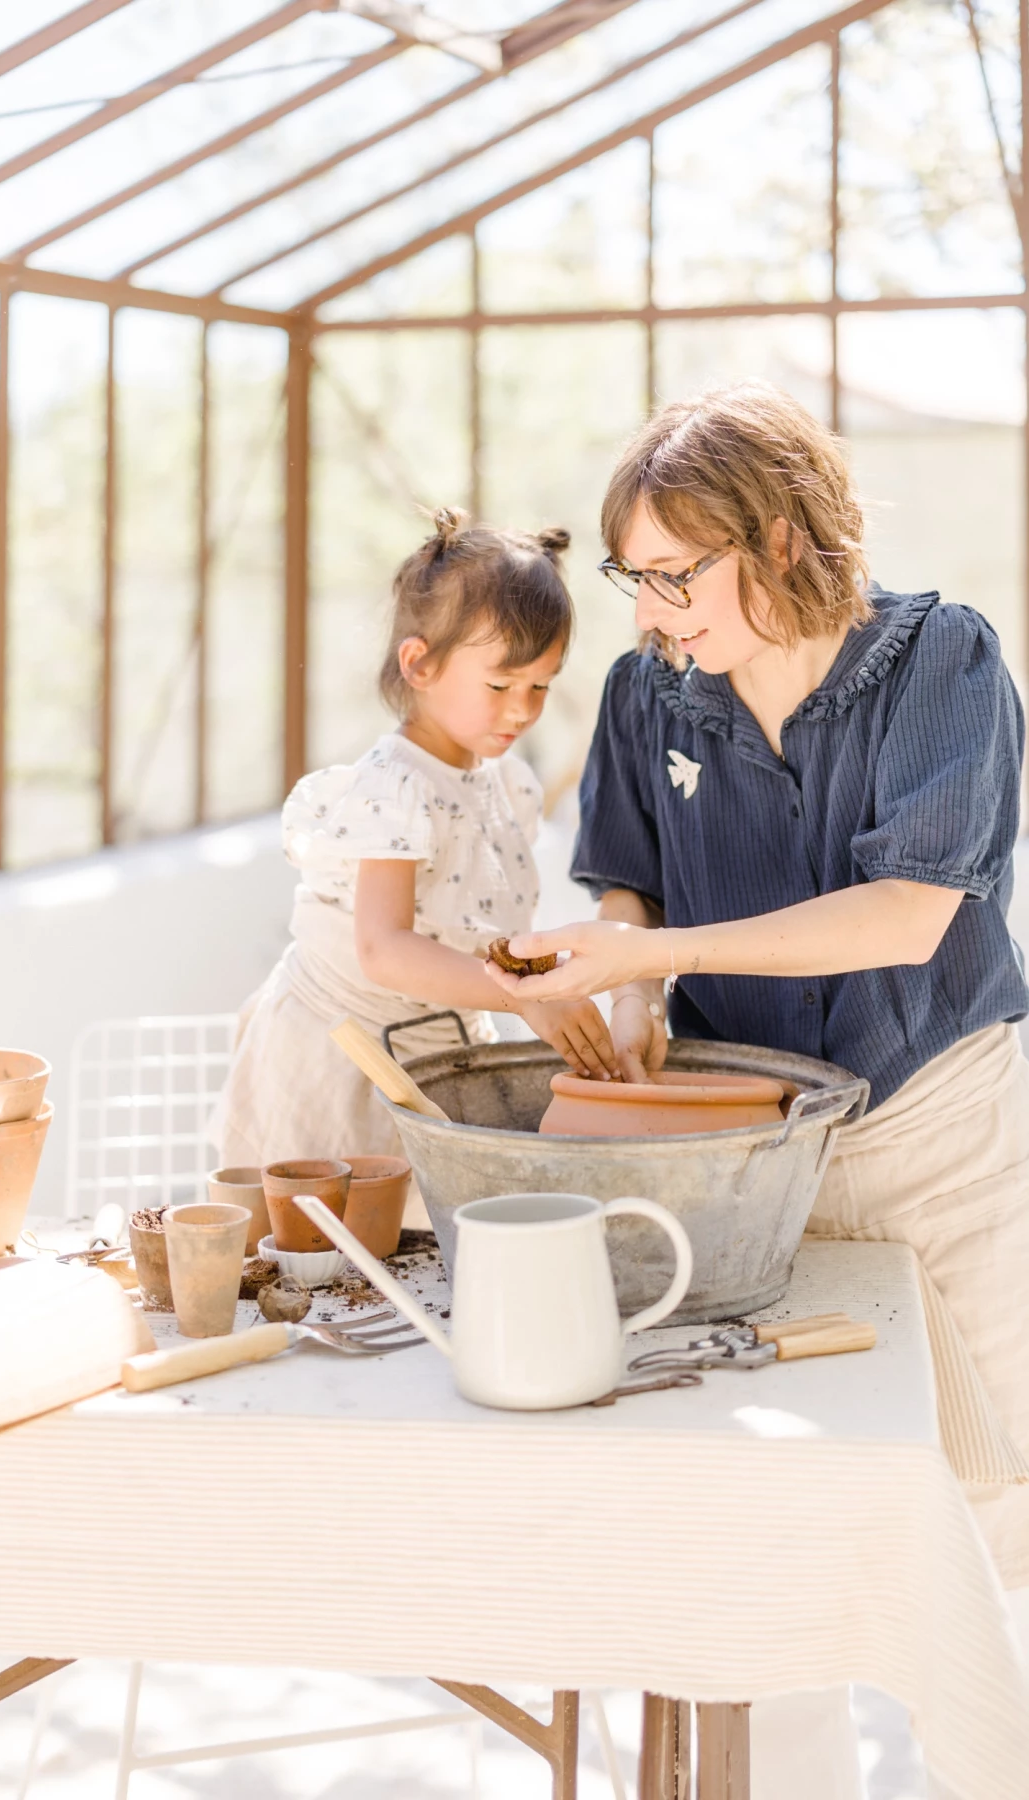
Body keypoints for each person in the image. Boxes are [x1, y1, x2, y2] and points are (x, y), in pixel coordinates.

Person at [484, 383, 1029, 1799]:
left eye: (677, 577)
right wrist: (627, 986)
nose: (653, 614)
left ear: (781, 538)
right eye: (635, 580)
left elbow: (907, 915)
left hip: (941, 1128)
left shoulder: (943, 664)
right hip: (746, 1156)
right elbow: (625, 872)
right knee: (775, 1506)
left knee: (993, 1510)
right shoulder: (648, 691)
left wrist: (649, 950)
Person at [220, 507, 616, 1172]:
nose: (521, 708)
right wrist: (528, 999)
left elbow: (475, 931)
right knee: (312, 1248)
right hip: (338, 1054)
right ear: (419, 664)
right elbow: (385, 949)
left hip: (434, 1053)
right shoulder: (394, 787)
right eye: (499, 684)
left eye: (539, 686)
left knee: (415, 1252)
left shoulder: (506, 785)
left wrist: (553, 980)